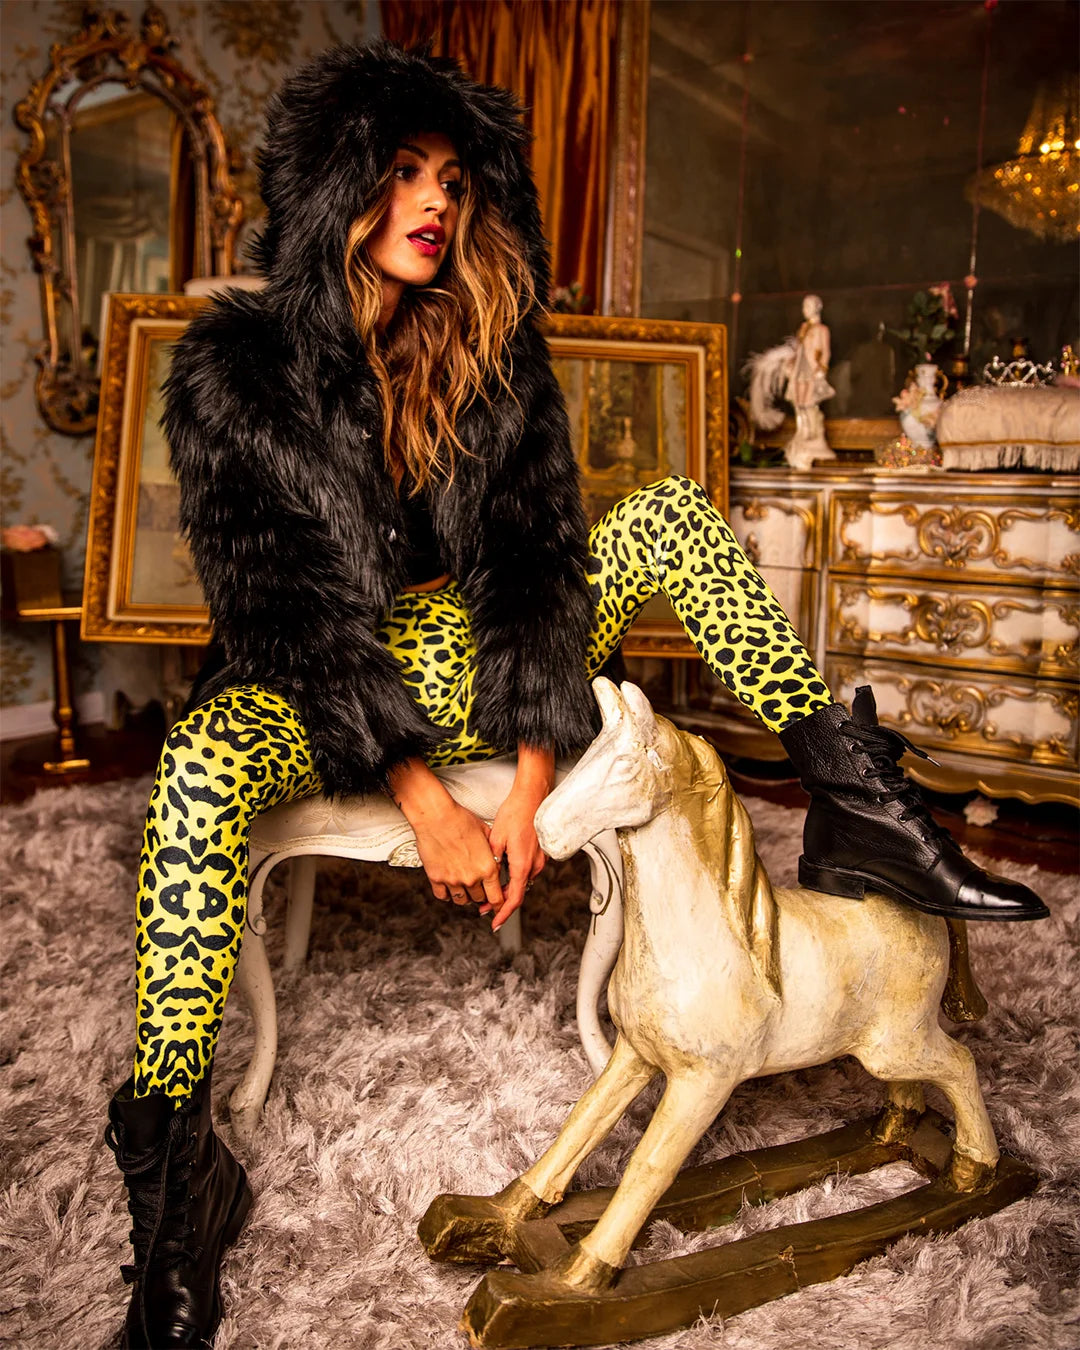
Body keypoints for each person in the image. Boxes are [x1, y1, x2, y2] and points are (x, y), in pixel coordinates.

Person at [103, 41, 1047, 1350]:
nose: (436, 202)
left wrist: (533, 780)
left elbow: (537, 571)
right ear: (337, 185)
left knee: (663, 514)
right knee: (198, 766)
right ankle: (174, 1170)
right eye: (404, 172)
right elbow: (288, 618)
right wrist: (427, 801)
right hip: (317, 678)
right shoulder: (234, 372)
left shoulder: (495, 350)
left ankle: (851, 787)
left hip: (472, 655)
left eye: (455, 179)